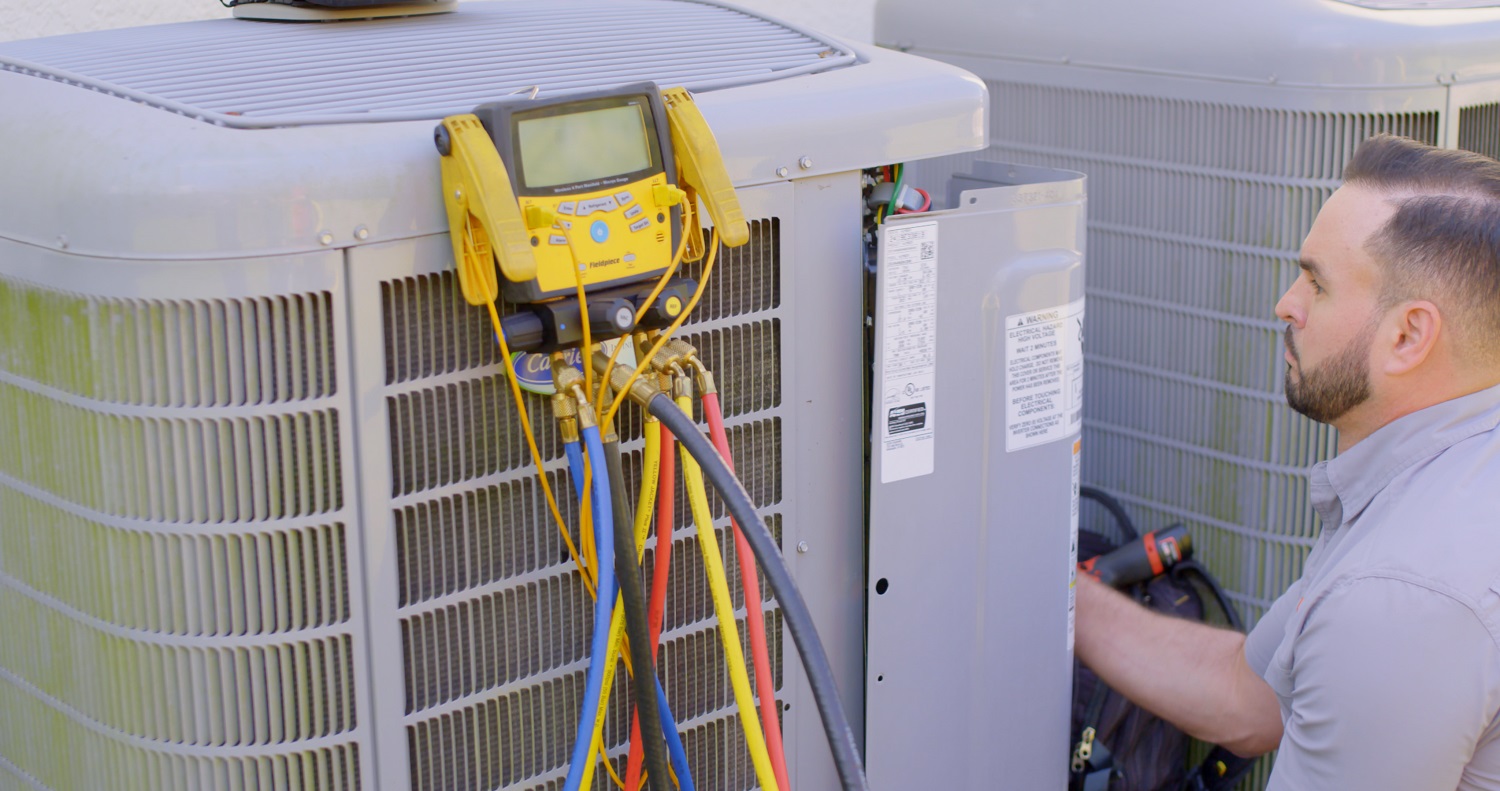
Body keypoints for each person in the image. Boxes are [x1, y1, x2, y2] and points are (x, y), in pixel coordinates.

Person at [1075, 134, 1500, 790]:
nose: (1286, 304)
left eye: (1317, 283)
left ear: (1409, 335)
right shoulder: (1453, 470)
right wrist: (1055, 593)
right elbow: (1248, 693)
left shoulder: (1402, 594)